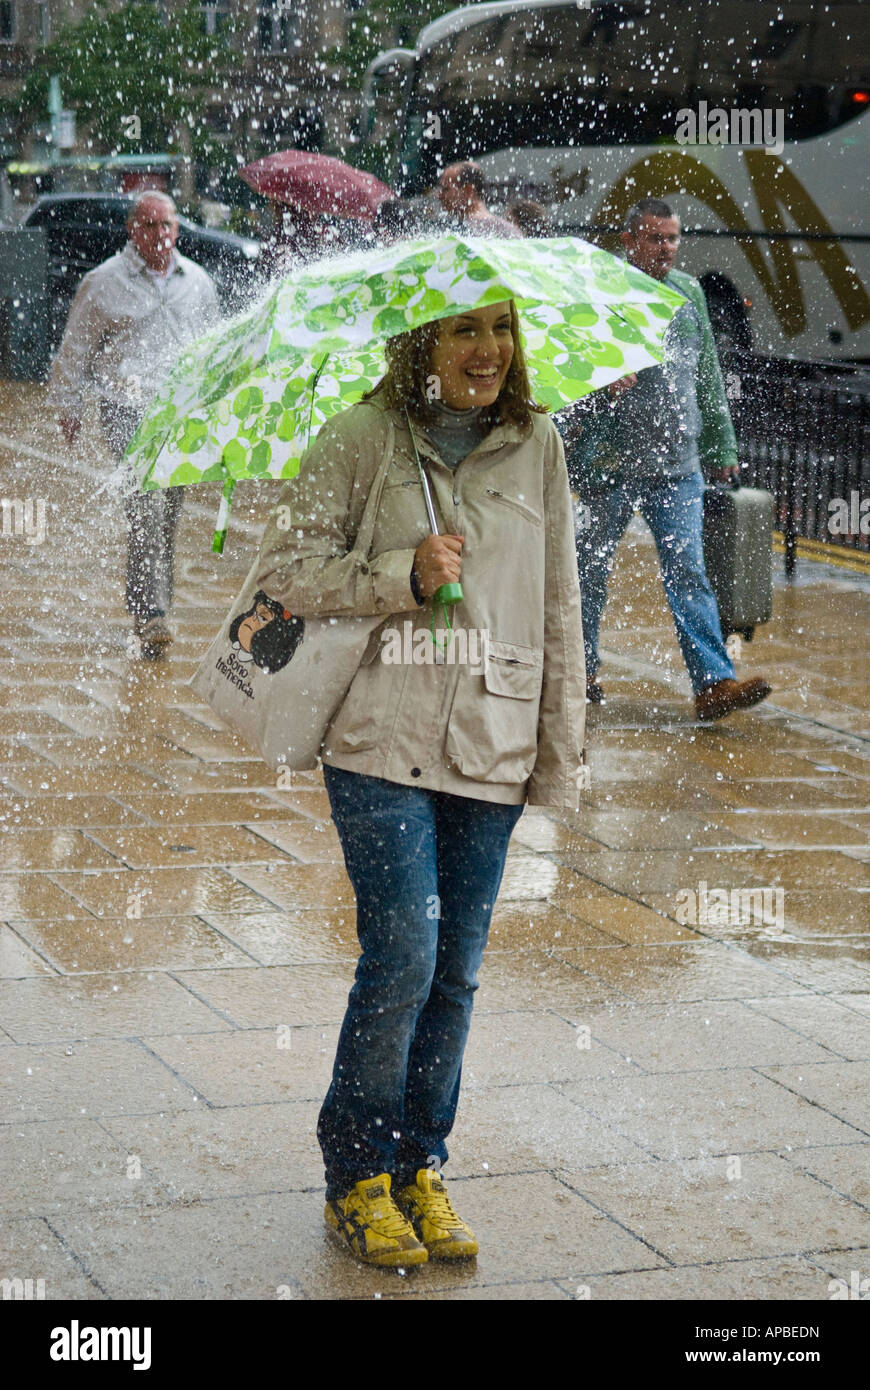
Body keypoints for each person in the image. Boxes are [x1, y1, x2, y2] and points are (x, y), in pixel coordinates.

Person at [255, 299, 585, 1266]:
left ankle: (417, 1165)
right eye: (463, 331)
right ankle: (356, 1171)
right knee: (403, 955)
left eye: (502, 329)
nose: (488, 351)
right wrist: (402, 570)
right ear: (422, 345)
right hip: (377, 739)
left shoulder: (539, 445)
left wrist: (558, 755)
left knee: (457, 970)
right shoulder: (363, 437)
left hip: (492, 734)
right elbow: (287, 574)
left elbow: (558, 603)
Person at [563, 197, 771, 722]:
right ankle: (580, 670)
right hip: (608, 465)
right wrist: (601, 384)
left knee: (688, 571)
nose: (666, 249)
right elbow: (568, 369)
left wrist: (720, 445)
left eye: (673, 238)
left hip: (678, 466)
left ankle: (713, 683)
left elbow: (705, 373)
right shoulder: (603, 288)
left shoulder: (688, 292)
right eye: (655, 238)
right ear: (630, 239)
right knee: (589, 571)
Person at [48, 191, 219, 657]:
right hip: (124, 408)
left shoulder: (198, 282)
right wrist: (68, 406)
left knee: (170, 514)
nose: (160, 235)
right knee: (145, 503)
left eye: (167, 225)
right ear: (132, 230)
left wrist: (221, 406)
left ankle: (154, 602)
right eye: (150, 226)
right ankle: (151, 613)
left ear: (178, 229)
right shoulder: (103, 282)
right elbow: (76, 347)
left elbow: (214, 348)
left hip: (179, 413)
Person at [436, 161, 521, 238]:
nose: (438, 195)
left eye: (445, 189)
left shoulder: (460, 232)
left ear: (468, 191)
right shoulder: (510, 231)